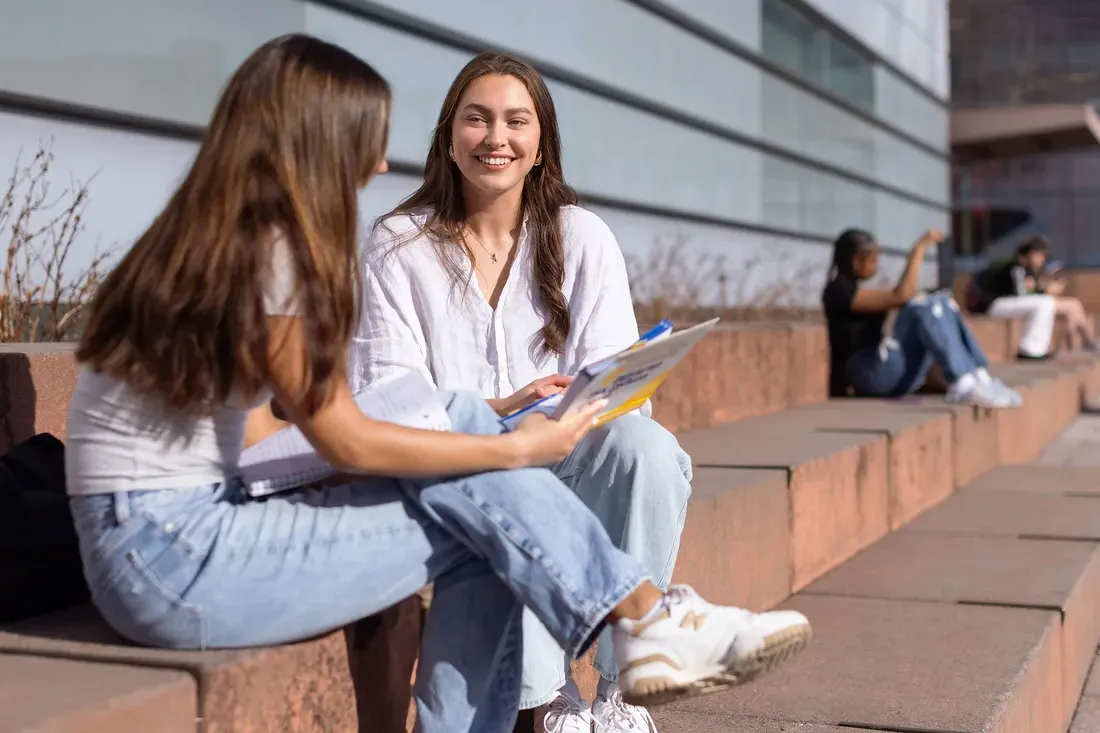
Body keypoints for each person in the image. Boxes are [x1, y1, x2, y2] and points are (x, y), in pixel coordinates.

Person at [62, 35, 812, 733]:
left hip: (160, 536)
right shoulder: (270, 249)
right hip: (169, 555)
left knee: (464, 444)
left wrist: (483, 419)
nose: (380, 163)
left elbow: (265, 430)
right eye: (367, 137)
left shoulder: (217, 235)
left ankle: (639, 624)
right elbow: (344, 435)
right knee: (470, 501)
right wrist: (509, 450)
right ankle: (642, 617)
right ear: (317, 138)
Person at [349, 51, 694, 733]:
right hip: (456, 469)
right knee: (508, 476)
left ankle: (624, 694)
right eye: (476, 119)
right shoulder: (397, 245)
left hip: (570, 446)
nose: (495, 138)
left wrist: (563, 414)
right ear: (449, 136)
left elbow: (622, 391)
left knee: (647, 447)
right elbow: (387, 395)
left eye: (515, 121)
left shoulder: (580, 235)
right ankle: (547, 699)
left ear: (541, 144)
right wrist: (502, 421)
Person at [822, 228, 1021, 408]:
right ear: (856, 261)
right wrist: (919, 249)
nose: (877, 265)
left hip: (883, 371)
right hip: (868, 374)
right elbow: (902, 295)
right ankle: (962, 381)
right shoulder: (838, 291)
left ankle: (978, 376)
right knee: (924, 305)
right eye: (873, 260)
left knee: (942, 301)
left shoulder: (853, 290)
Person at [974, 236, 1096, 355]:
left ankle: (1073, 345)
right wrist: (1045, 291)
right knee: (1050, 303)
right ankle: (1038, 347)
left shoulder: (1027, 269)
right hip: (993, 304)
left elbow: (1027, 293)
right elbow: (1020, 294)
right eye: (1041, 256)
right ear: (1032, 254)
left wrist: (1043, 289)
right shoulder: (1015, 266)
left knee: (1071, 306)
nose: (1042, 260)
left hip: (1007, 302)